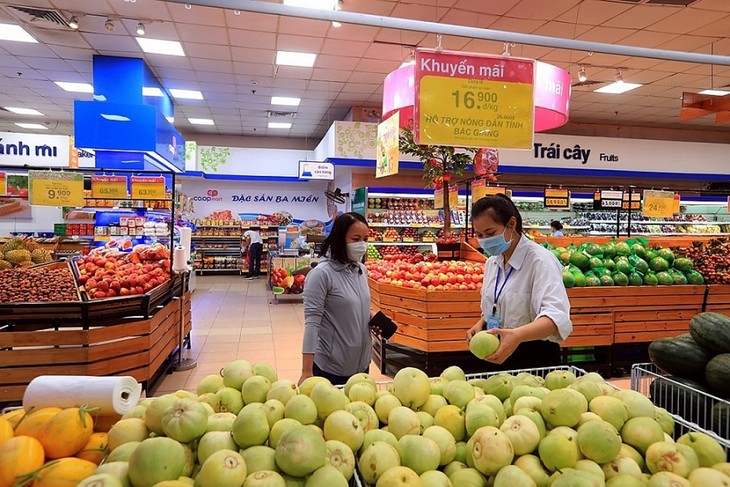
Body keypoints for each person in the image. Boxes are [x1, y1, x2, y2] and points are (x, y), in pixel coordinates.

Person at [466, 195, 572, 369]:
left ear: (511, 224)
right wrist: (482, 323)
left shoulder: (541, 261)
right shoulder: (492, 262)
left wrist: (517, 335)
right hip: (495, 351)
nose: (485, 240)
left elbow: (556, 317)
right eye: (479, 235)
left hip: (533, 356)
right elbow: (498, 305)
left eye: (490, 233)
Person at [299, 212, 374, 385]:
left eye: (365, 239)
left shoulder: (361, 270)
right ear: (340, 238)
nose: (361, 245)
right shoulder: (321, 274)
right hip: (331, 369)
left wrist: (370, 315)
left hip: (362, 366)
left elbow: (350, 304)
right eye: (355, 239)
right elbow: (312, 324)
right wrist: (306, 371)